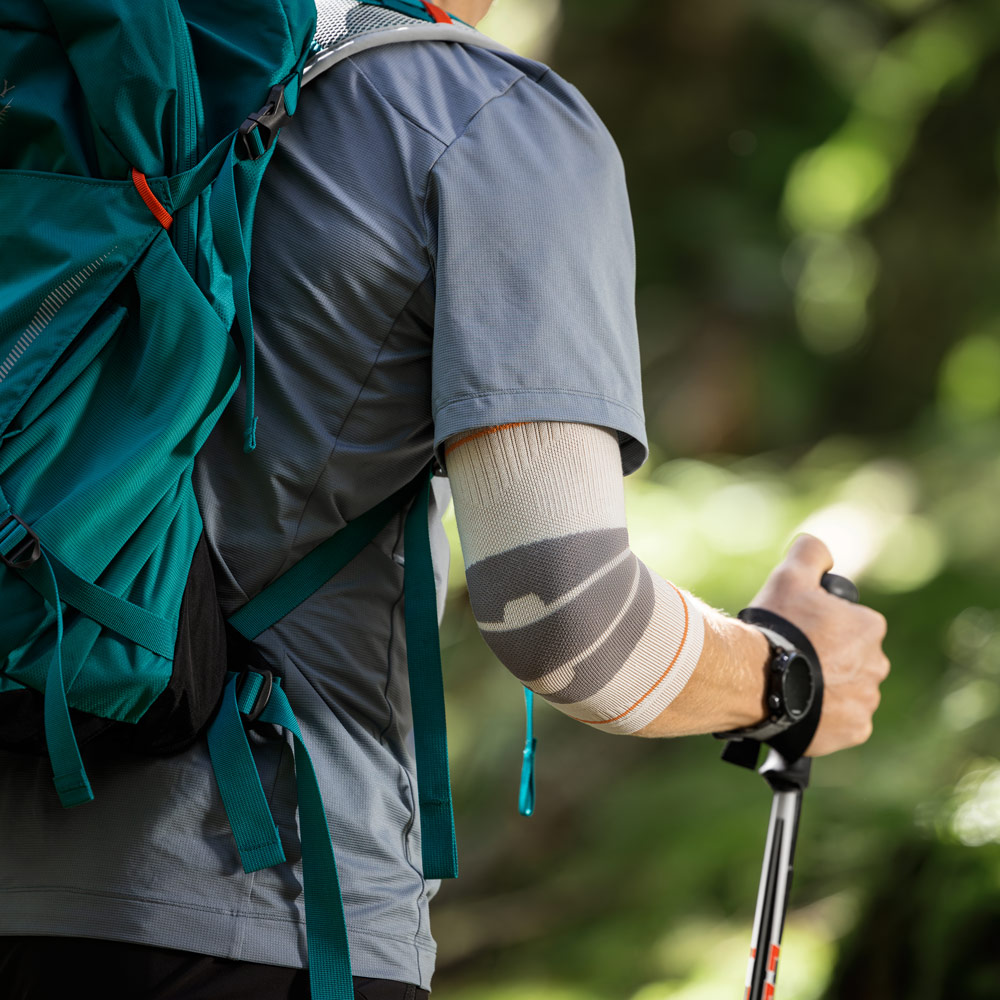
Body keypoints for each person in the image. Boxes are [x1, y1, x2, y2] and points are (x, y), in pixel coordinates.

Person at [0, 0, 889, 997]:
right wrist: (787, 675)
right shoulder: (480, 116)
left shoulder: (71, 72)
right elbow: (567, 617)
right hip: (260, 916)